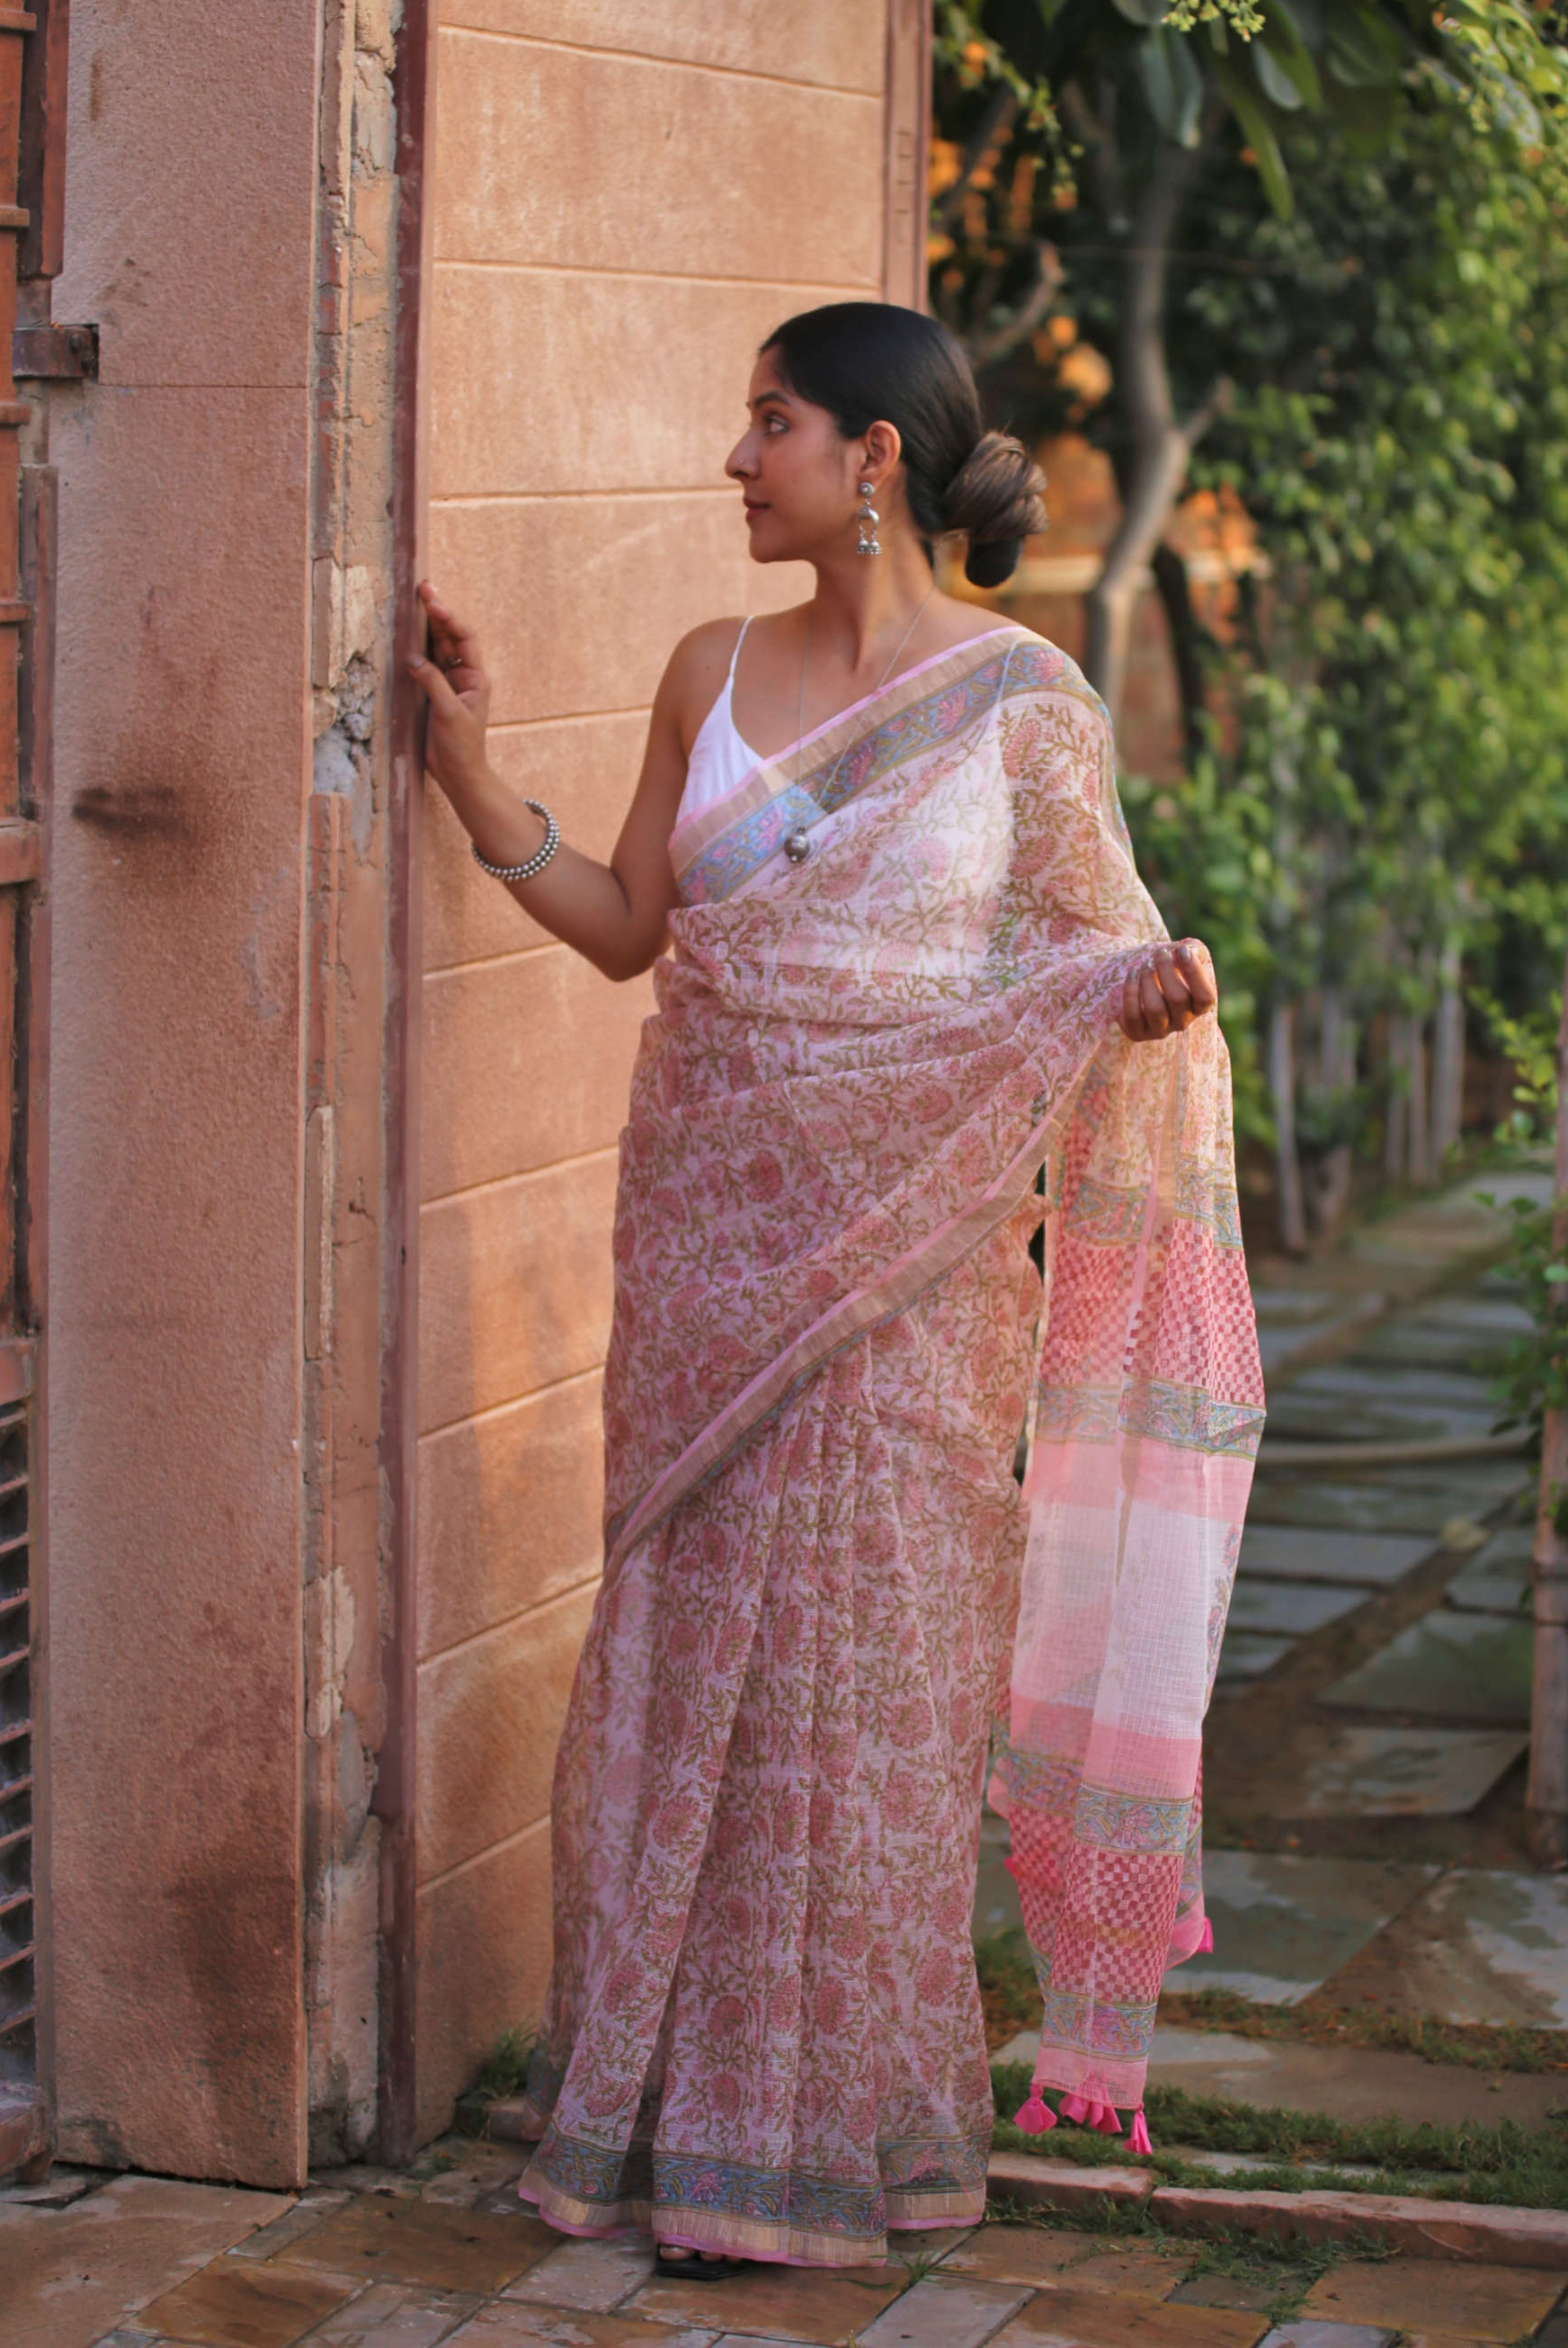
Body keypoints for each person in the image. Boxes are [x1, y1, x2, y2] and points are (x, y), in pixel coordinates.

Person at [409, 302, 1264, 2277]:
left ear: (870, 457)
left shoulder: (1026, 707)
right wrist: (465, 775)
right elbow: (630, 929)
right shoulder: (704, 670)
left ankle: (832, 2143)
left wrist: (1155, 994)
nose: (738, 459)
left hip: (913, 1295)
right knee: (686, 1675)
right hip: (709, 1272)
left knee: (868, 1706)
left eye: (769, 423)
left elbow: (1096, 961)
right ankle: (663, 2124)